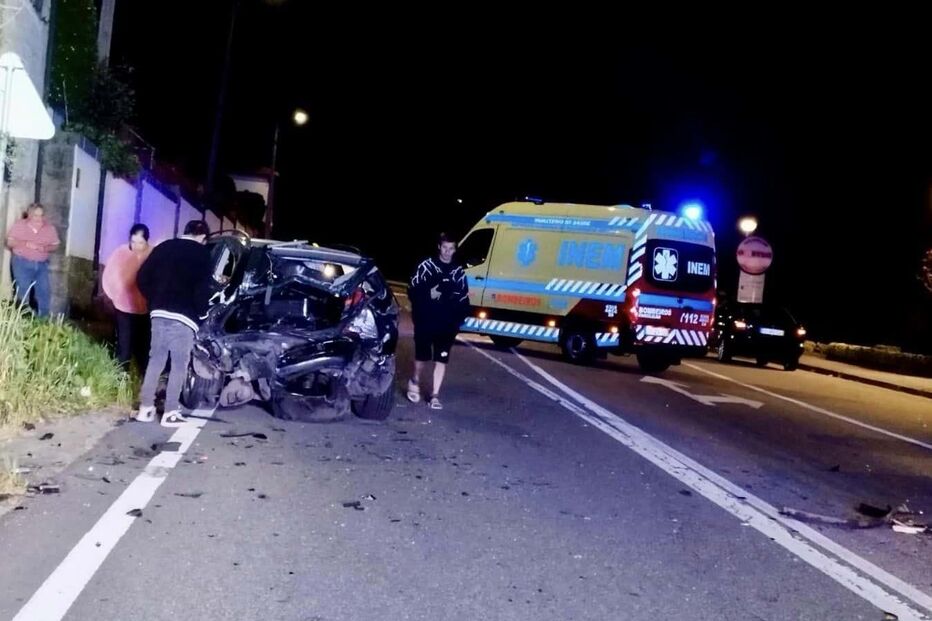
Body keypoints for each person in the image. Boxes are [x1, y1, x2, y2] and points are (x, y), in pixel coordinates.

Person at [135, 220, 214, 427]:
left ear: (185, 232)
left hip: (158, 313)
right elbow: (203, 290)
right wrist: (202, 314)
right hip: (184, 317)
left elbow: (141, 277)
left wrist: (154, 299)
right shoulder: (203, 254)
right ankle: (170, 412)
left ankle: (145, 408)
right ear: (202, 237)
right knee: (179, 364)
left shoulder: (164, 247)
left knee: (156, 360)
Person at [406, 233, 469, 410]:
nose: (447, 252)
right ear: (439, 247)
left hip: (447, 325)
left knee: (442, 359)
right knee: (422, 357)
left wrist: (458, 320)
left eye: (451, 248)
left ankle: (435, 395)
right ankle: (415, 380)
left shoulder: (458, 272)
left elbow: (463, 298)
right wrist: (427, 299)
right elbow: (413, 289)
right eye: (445, 248)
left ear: (455, 250)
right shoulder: (426, 266)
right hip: (426, 321)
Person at [102, 224, 152, 370]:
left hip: (145, 308)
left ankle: (144, 376)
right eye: (133, 241)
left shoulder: (153, 254)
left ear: (147, 241)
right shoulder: (121, 252)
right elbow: (110, 274)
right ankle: (120, 375)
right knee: (124, 344)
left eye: (140, 243)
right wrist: (114, 295)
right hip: (124, 307)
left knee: (144, 345)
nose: (136, 246)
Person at [6, 203, 60, 317]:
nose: (39, 219)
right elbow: (9, 242)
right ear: (29, 215)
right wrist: (25, 243)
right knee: (23, 291)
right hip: (22, 263)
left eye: (41, 215)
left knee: (44, 292)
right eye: (36, 215)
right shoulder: (20, 225)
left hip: (41, 265)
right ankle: (22, 318)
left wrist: (44, 248)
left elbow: (56, 245)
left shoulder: (49, 228)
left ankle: (43, 320)